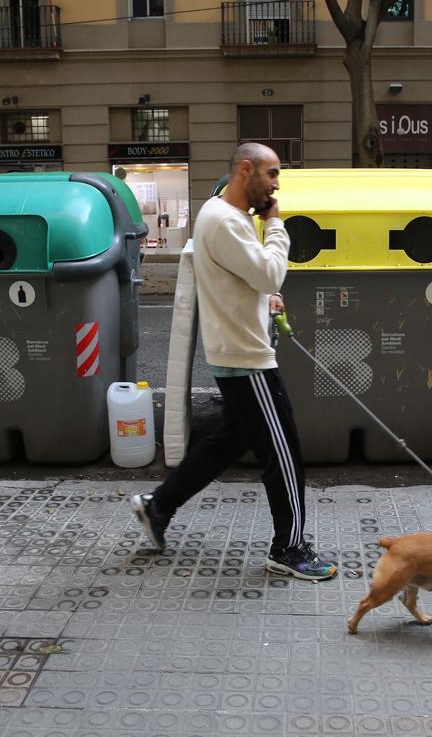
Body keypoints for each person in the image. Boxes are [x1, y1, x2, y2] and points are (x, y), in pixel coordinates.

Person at [130, 142, 337, 581]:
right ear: (246, 171)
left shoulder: (228, 218)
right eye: (272, 174)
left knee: (225, 443)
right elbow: (268, 271)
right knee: (283, 453)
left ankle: (159, 506)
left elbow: (244, 282)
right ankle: (290, 548)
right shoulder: (225, 220)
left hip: (238, 349)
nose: (276, 186)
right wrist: (277, 227)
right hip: (247, 359)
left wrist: (263, 301)